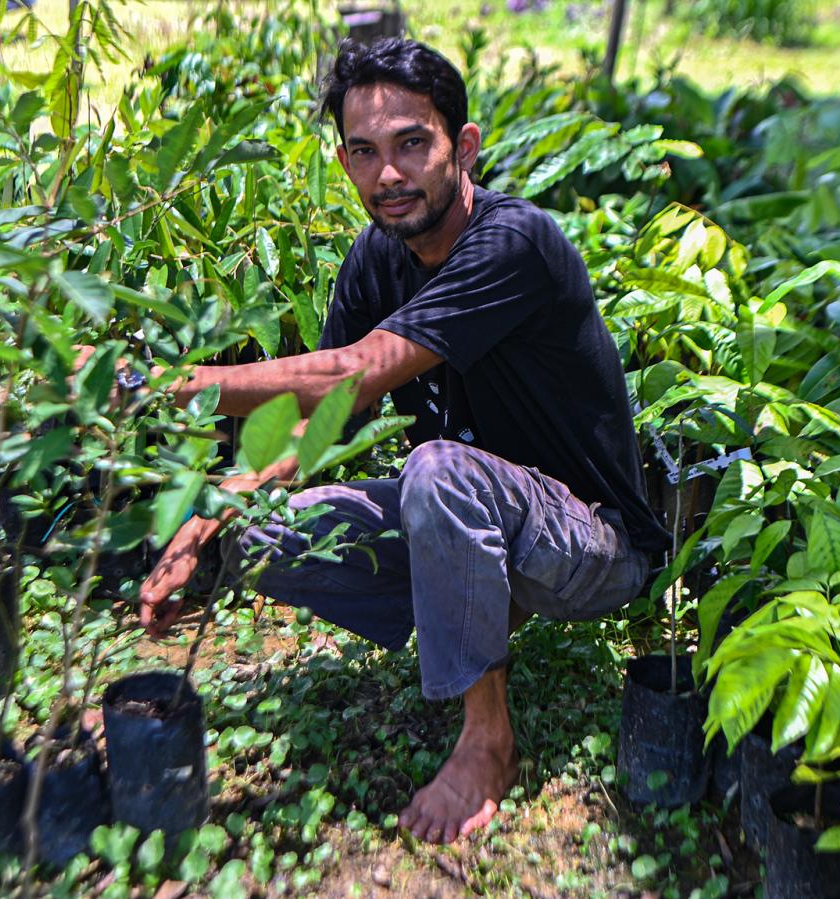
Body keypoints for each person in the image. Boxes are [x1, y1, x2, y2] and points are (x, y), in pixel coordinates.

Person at [125, 37, 667, 844]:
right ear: (343, 163)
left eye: (413, 143)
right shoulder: (375, 261)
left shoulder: (515, 242)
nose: (389, 174)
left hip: (592, 542)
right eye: (365, 152)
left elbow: (357, 368)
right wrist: (214, 509)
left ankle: (488, 741)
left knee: (437, 470)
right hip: (473, 516)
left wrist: (176, 382)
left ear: (465, 146)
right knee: (264, 530)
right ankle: (476, 608)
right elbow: (333, 415)